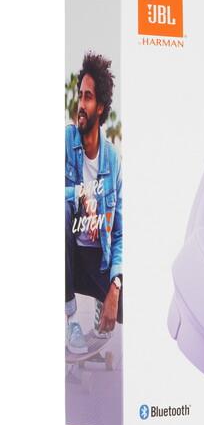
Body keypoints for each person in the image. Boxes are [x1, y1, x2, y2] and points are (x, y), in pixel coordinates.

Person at [65, 53, 122, 354]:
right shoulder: (65, 141)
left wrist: (115, 286)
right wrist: (80, 194)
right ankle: (71, 317)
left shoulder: (112, 159)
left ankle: (104, 302)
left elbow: (120, 232)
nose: (81, 104)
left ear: (100, 106)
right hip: (68, 257)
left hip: (98, 260)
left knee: (128, 307)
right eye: (80, 95)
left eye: (88, 97)